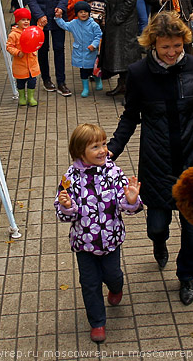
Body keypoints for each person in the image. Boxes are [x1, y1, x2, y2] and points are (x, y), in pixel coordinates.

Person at [107, 12, 193, 306]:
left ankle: (186, 276)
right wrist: (111, 150)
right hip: (156, 163)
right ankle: (159, 243)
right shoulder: (139, 73)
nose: (172, 53)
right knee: (157, 225)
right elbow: (130, 117)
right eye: (165, 47)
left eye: (177, 46)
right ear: (152, 44)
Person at [56, 123, 142, 343]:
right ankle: (97, 322)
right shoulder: (70, 178)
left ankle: (116, 288)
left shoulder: (113, 171)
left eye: (103, 144)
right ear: (79, 152)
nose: (103, 150)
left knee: (113, 274)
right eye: (95, 147)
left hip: (111, 239)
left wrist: (131, 200)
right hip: (84, 243)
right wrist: (66, 206)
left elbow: (126, 203)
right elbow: (63, 212)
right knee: (89, 283)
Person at [100, 0, 143, 97]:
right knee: (119, 55)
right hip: (116, 16)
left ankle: (131, 91)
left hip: (124, 21)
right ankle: (122, 84)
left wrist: (118, 18)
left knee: (126, 56)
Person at [55, 0, 103, 97]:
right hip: (79, 52)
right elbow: (65, 25)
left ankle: (98, 80)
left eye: (85, 12)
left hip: (91, 51)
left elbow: (99, 36)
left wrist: (94, 45)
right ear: (77, 13)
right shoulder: (74, 23)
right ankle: (85, 88)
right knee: (83, 71)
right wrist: (58, 18)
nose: (83, 14)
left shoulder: (93, 24)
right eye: (80, 12)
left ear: (89, 13)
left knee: (94, 69)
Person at [5, 8, 41, 107]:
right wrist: (17, 52)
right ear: (17, 21)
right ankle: (22, 97)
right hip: (20, 63)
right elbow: (9, 46)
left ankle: (31, 97)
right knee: (20, 82)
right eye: (23, 19)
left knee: (32, 81)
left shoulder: (31, 31)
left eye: (28, 20)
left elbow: (38, 37)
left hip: (32, 62)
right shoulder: (14, 34)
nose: (26, 22)